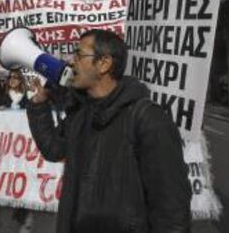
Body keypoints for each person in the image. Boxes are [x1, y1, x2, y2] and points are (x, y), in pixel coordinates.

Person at [26, 29, 191, 233]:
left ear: (104, 63)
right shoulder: (80, 113)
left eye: (79, 54)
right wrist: (38, 105)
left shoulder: (147, 119)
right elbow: (53, 150)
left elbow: (171, 208)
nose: (71, 61)